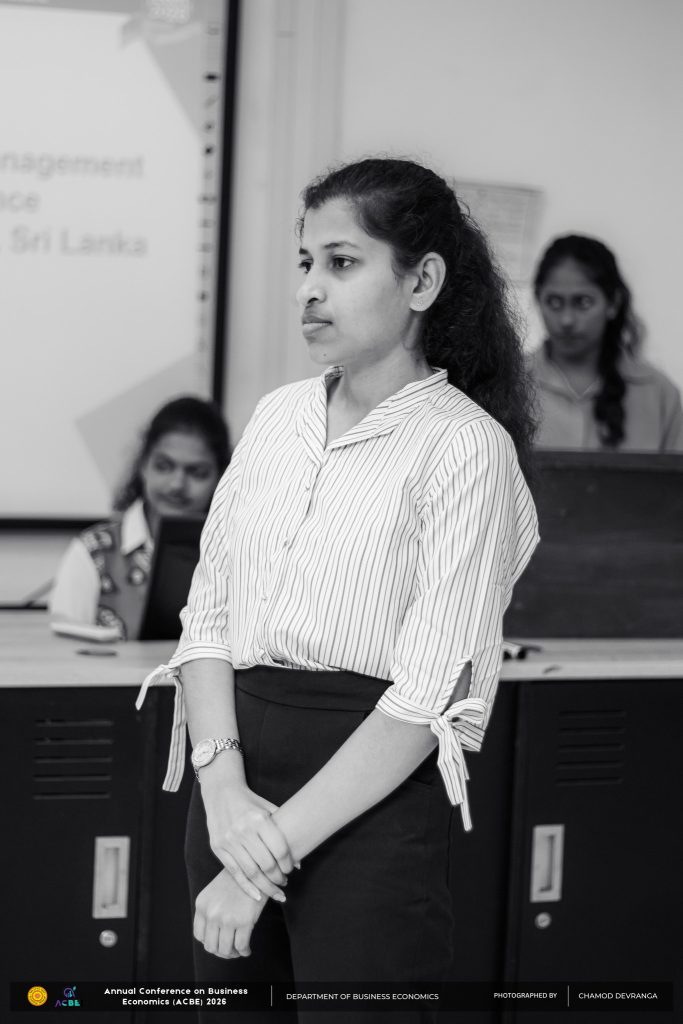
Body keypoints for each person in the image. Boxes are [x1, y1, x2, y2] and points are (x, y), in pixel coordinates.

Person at [137, 157, 539, 1022]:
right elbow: (206, 620)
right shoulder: (276, 417)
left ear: (421, 281)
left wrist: (261, 858)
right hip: (231, 788)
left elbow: (426, 700)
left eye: (342, 262)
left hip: (365, 810)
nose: (308, 290)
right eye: (305, 261)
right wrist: (223, 792)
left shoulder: (464, 447)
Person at [49, 396, 230, 640]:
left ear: (222, 477)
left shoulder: (240, 552)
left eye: (197, 472)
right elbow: (63, 651)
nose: (177, 484)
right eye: (164, 466)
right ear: (143, 465)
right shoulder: (92, 552)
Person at [529, 234, 683, 451]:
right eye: (554, 302)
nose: (566, 320)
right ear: (538, 300)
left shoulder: (659, 394)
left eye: (583, 302)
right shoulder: (508, 383)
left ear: (613, 303)